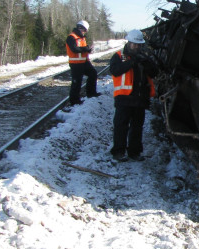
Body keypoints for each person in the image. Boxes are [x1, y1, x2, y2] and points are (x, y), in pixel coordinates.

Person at [109, 29, 159, 161]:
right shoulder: (118, 56)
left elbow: (154, 72)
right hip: (124, 98)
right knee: (121, 126)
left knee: (137, 127)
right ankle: (118, 152)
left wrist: (146, 62)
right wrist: (132, 62)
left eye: (139, 45)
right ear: (129, 43)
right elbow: (115, 70)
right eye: (134, 44)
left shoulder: (144, 57)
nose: (136, 47)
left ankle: (134, 152)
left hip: (140, 99)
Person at [66, 20, 100, 106]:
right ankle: (74, 101)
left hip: (84, 62)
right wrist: (86, 48)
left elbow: (82, 49)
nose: (85, 32)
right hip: (75, 64)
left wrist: (88, 50)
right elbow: (74, 49)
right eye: (85, 30)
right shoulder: (71, 37)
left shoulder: (81, 38)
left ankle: (91, 93)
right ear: (81, 28)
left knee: (93, 73)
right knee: (77, 82)